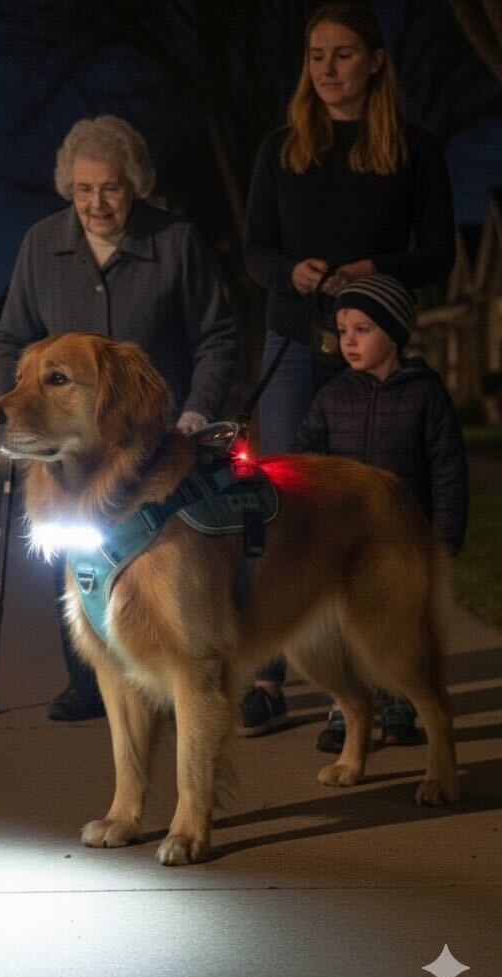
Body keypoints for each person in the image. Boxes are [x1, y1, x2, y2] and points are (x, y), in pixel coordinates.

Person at [237, 2, 456, 737]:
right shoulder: (282, 147)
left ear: (375, 60)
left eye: (343, 54)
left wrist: (375, 269)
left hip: (374, 347)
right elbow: (254, 250)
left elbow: (439, 254)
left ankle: (367, 690)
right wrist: (289, 274)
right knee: (282, 501)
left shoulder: (415, 150)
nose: (328, 70)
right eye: (317, 56)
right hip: (297, 339)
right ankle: (267, 673)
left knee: (366, 508)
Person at [0, 114, 237, 721]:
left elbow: (217, 334)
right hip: (71, 442)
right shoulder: (42, 245)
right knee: (76, 545)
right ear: (68, 189)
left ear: (136, 185)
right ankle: (89, 677)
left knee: (166, 554)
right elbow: (10, 336)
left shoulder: (174, 241)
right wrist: (19, 415)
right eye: (83, 189)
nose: (96, 203)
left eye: (111, 188)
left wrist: (197, 411)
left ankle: (178, 667)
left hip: (156, 439)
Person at [293, 273, 467, 751]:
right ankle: (345, 710)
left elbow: (448, 470)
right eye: (343, 330)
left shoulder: (425, 395)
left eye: (363, 329)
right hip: (344, 542)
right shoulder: (331, 398)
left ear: (395, 332)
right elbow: (306, 459)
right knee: (344, 632)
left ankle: (399, 705)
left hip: (403, 540)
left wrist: (446, 538)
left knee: (398, 632)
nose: (348, 341)